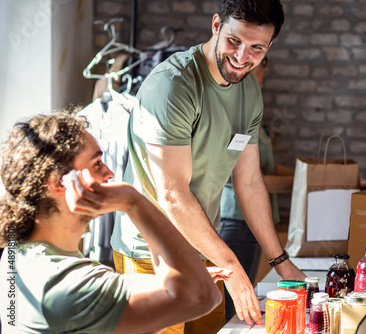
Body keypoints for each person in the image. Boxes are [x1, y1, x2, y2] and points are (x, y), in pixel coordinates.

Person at [110, 0, 306, 332]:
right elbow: (172, 194)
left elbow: (249, 183)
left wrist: (281, 262)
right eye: (234, 41)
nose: (242, 56)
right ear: (216, 25)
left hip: (205, 251)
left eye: (256, 48)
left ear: (269, 47)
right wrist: (232, 264)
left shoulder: (249, 92)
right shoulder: (174, 85)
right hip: (151, 255)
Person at [0, 112, 227, 333]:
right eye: (97, 163)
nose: (109, 173)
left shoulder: (21, 255)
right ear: (58, 181)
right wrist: (132, 200)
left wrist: (181, 279)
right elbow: (202, 296)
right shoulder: (65, 284)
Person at [218, 56, 294, 321]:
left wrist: (307, 176)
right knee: (234, 307)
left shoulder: (249, 108)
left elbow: (265, 167)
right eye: (262, 64)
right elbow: (245, 177)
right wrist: (302, 185)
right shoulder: (232, 111)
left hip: (251, 222)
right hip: (237, 220)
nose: (265, 69)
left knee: (240, 301)